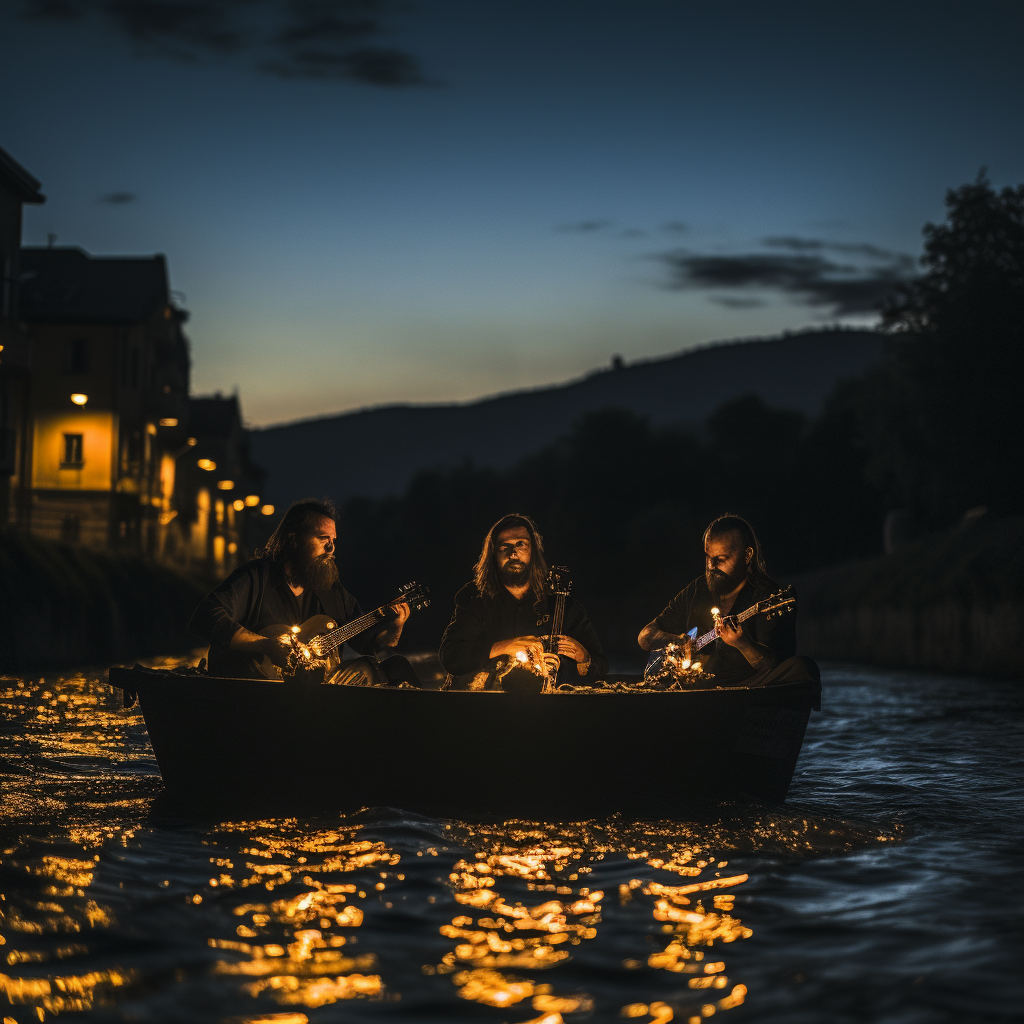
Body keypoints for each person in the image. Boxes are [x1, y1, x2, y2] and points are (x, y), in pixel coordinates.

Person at [188, 498, 420, 685]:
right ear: (294, 539)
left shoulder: (330, 588)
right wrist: (264, 644)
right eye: (322, 539)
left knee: (396, 667)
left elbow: (366, 643)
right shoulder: (256, 576)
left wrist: (395, 626)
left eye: (333, 540)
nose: (331, 548)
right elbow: (205, 618)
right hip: (255, 692)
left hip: (312, 695)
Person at [638, 513, 818, 688]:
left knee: (802, 668)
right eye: (708, 557)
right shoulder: (696, 589)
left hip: (747, 689)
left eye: (721, 559)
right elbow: (645, 637)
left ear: (747, 556)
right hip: (695, 689)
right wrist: (678, 642)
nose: (711, 566)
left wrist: (743, 644)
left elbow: (773, 665)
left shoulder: (767, 597)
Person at [439, 513, 607, 688]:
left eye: (521, 545)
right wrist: (505, 646)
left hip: (548, 708)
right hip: (488, 704)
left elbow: (601, 665)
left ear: (533, 551)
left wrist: (584, 659)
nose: (513, 554)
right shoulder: (474, 598)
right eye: (505, 547)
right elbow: (452, 656)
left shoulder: (562, 605)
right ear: (493, 554)